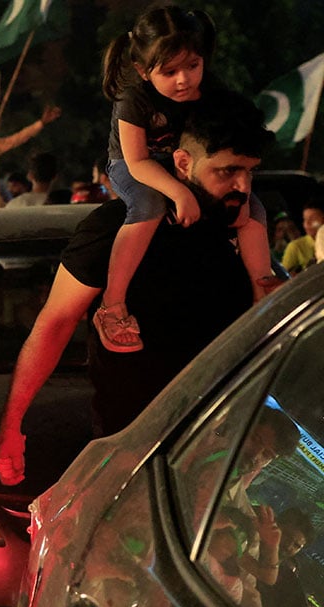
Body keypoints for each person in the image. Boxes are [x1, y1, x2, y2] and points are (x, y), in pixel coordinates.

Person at [0, 89, 276, 484]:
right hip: (132, 457)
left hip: (224, 461)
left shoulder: (243, 238)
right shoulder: (116, 229)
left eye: (251, 172)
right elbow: (56, 323)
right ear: (182, 162)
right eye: (227, 171)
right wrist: (11, 427)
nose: (243, 187)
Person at [96, 6, 270, 353]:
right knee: (149, 203)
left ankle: (263, 300)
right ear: (143, 71)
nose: (184, 80)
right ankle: (112, 304)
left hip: (184, 166)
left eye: (193, 66)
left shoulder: (211, 94)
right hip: (136, 165)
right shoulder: (133, 99)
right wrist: (180, 193)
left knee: (253, 211)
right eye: (170, 71)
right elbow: (137, 160)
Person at [283, 196, 320, 274]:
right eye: (305, 219)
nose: (307, 224)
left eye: (313, 219)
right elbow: (285, 277)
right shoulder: (295, 246)